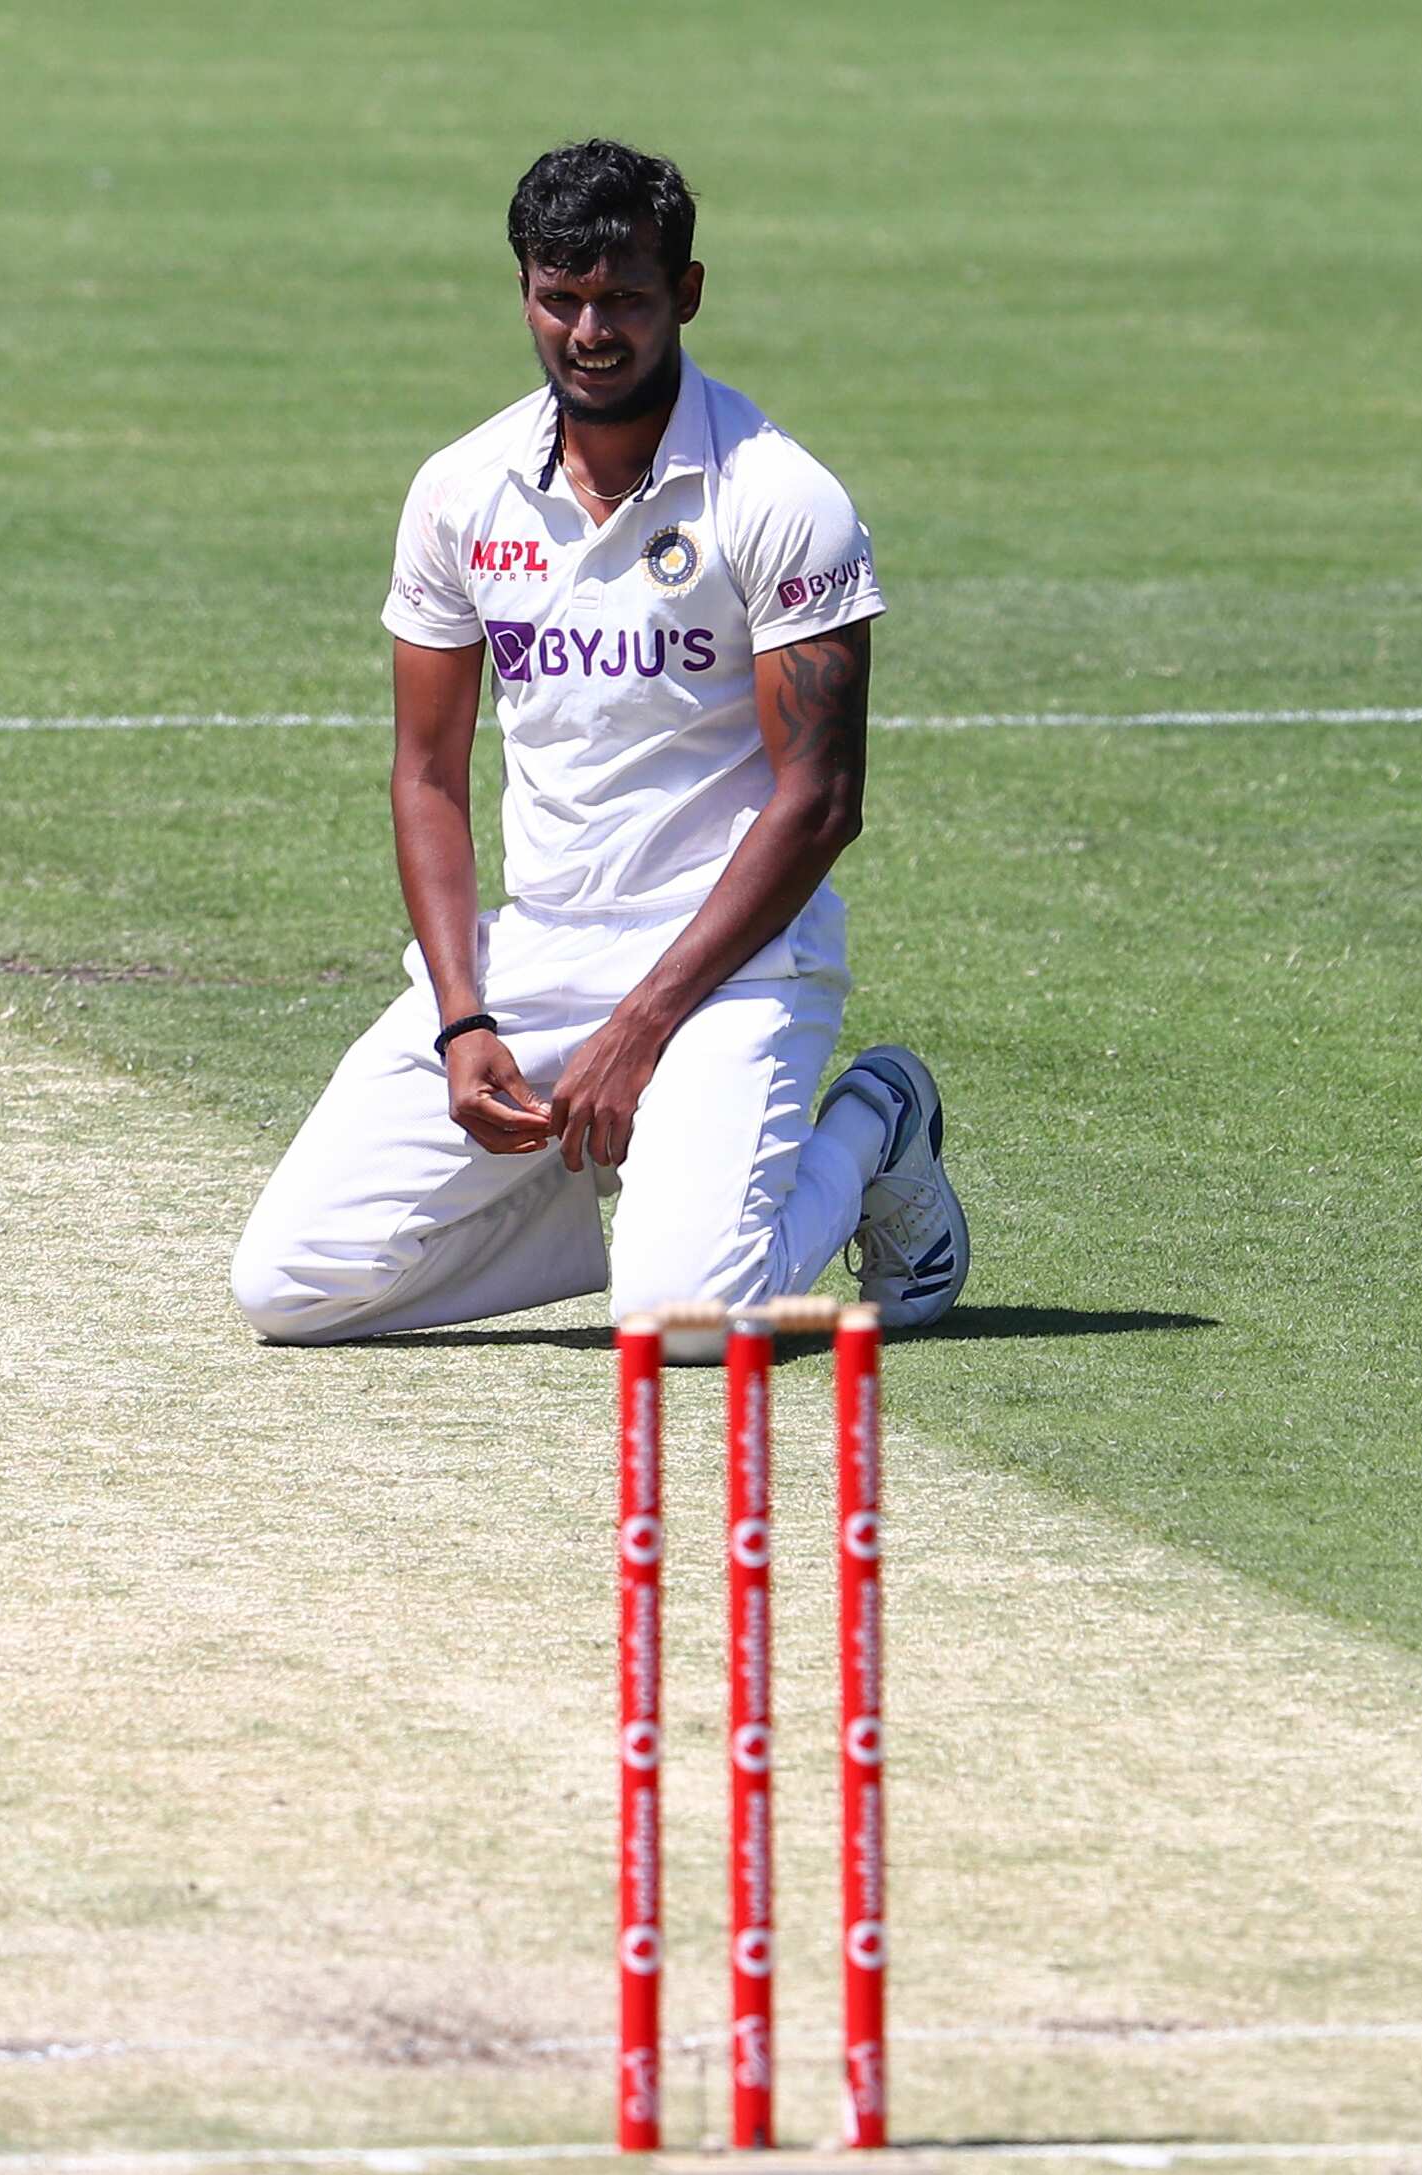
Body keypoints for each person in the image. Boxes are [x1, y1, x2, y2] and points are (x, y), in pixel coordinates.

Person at [231, 139, 968, 1346]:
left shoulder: (780, 495)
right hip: (538, 956)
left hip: (732, 966)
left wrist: (640, 1028)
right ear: (523, 289)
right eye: (558, 295)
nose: (589, 328)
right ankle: (627, 1187)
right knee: (290, 1285)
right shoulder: (460, 489)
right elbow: (426, 775)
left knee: (682, 1320)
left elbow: (822, 800)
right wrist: (464, 1018)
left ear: (684, 291)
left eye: (623, 295)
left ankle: (872, 1123)